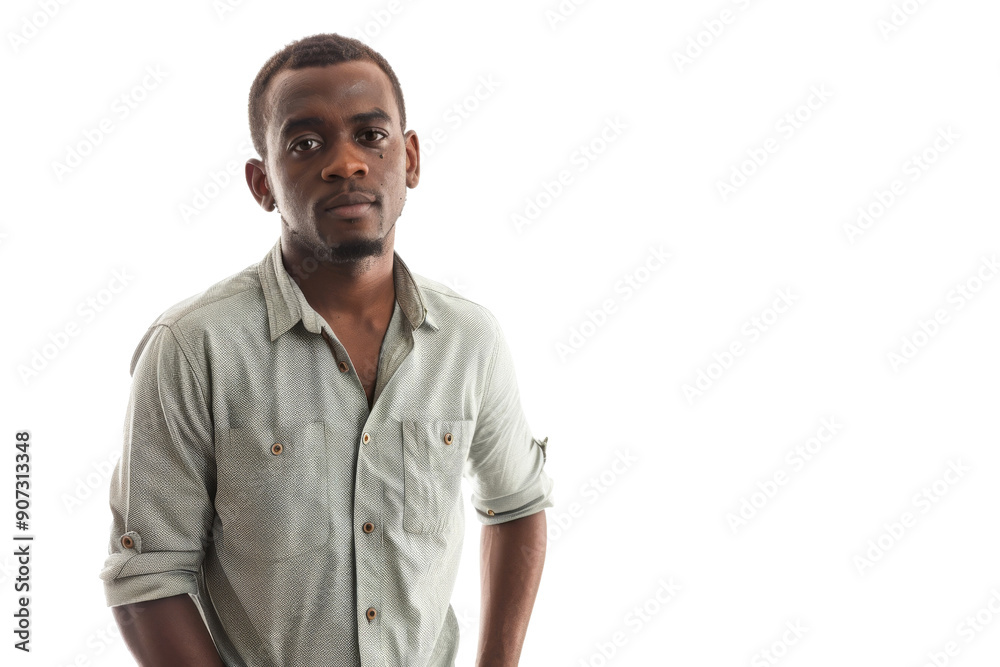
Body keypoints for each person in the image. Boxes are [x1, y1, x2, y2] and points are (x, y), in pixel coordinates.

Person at [99, 33, 554, 667]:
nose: (345, 164)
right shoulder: (193, 349)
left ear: (410, 159)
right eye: (306, 144)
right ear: (262, 182)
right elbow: (147, 576)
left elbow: (517, 505)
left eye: (371, 136)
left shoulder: (469, 339)